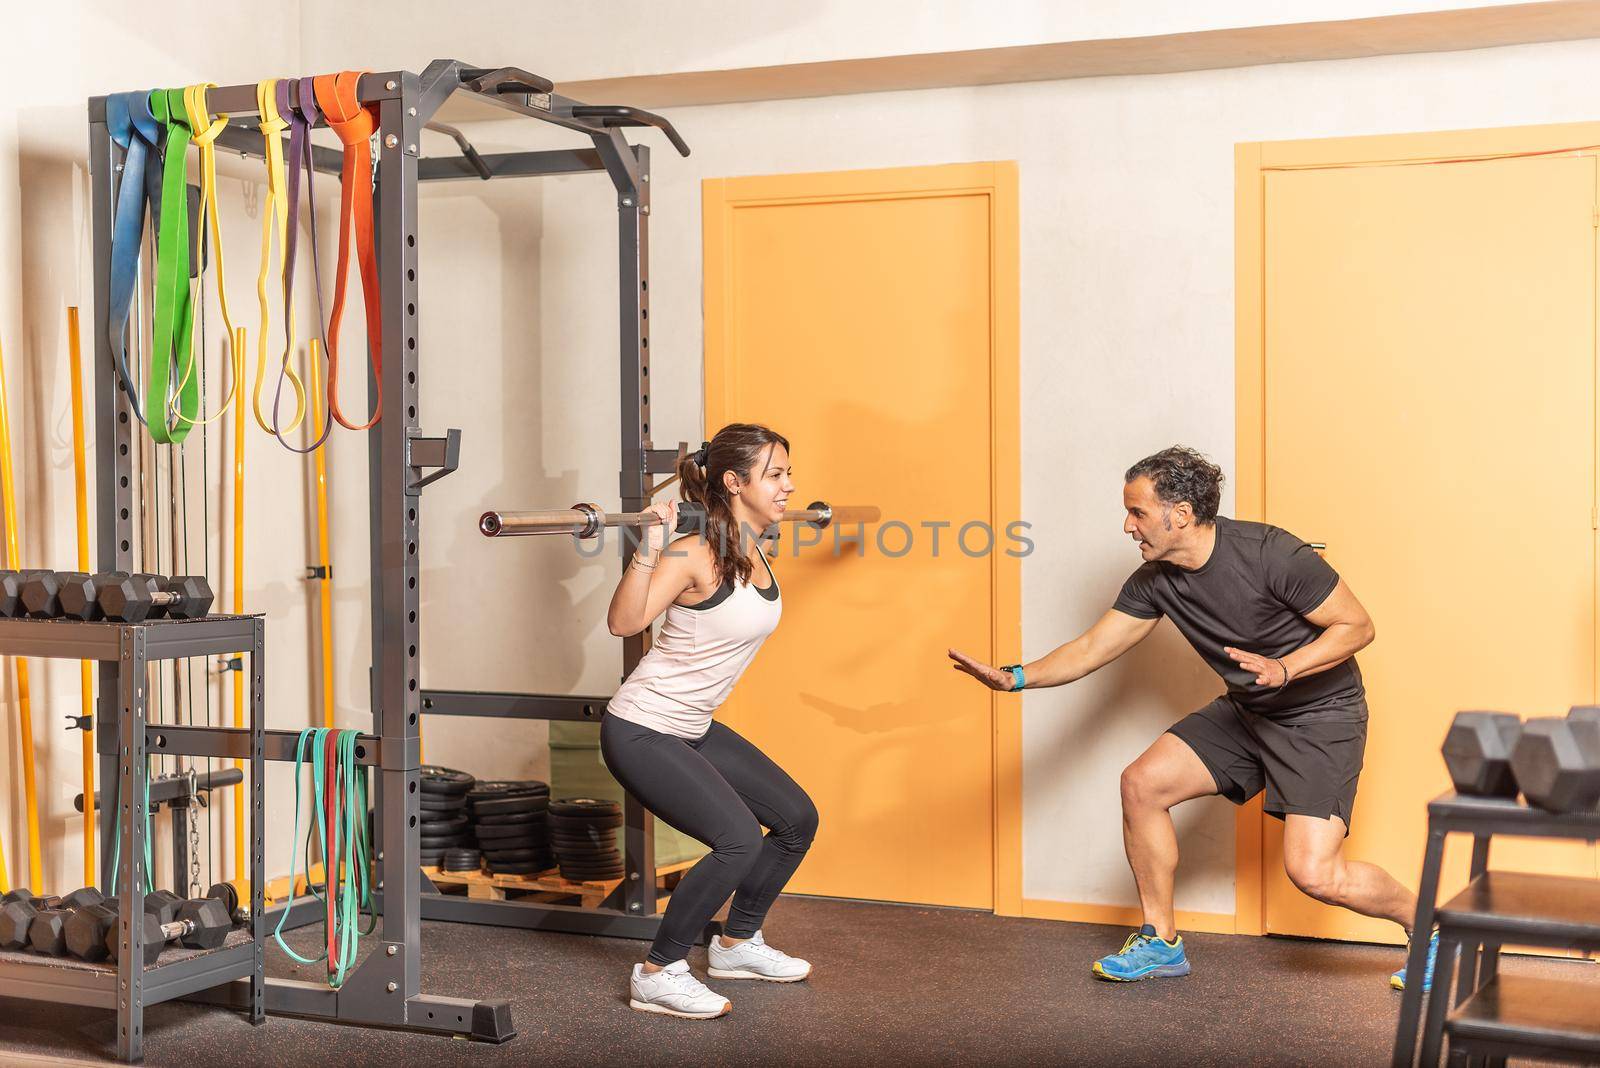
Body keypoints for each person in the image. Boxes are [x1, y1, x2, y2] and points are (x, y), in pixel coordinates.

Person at [949, 445, 1439, 991]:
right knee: (1142, 784)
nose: (1127, 525)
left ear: (1179, 513)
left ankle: (1432, 928)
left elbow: (1356, 627)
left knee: (1315, 874)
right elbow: (1092, 647)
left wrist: (1285, 667)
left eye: (1137, 512)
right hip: (1250, 710)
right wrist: (1015, 677)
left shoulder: (1271, 552)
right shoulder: (1154, 579)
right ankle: (1160, 942)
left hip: (1318, 716)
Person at [602, 422, 819, 1020]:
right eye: (775, 475)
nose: (788, 487)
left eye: (786, 474)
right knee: (737, 840)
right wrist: (649, 548)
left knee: (796, 819)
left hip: (692, 727)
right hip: (643, 729)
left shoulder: (754, 547)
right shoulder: (691, 552)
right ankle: (657, 971)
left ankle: (736, 943)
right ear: (734, 481)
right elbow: (625, 623)